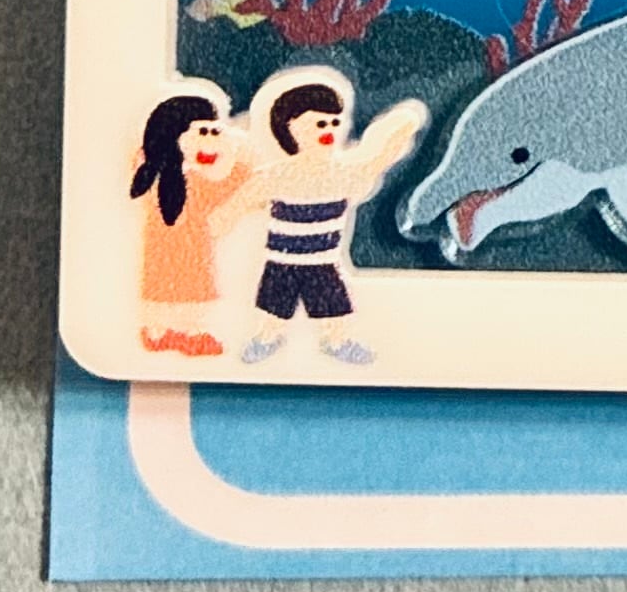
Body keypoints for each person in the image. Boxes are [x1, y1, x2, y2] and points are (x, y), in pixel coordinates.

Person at [242, 69, 430, 371]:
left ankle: (337, 342)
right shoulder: (277, 174)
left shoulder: (343, 174)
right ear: (292, 127)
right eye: (319, 123)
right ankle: (266, 339)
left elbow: (377, 162)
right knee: (273, 309)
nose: (328, 129)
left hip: (323, 262)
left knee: (334, 310)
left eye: (334, 122)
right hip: (281, 261)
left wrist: (400, 130)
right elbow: (242, 201)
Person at [128, 88, 261, 358]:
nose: (212, 137)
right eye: (205, 130)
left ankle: (159, 331)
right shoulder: (197, 181)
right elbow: (240, 178)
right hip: (192, 250)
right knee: (189, 291)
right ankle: (184, 333)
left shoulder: (149, 170)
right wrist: (235, 147)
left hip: (160, 249)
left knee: (162, 287)